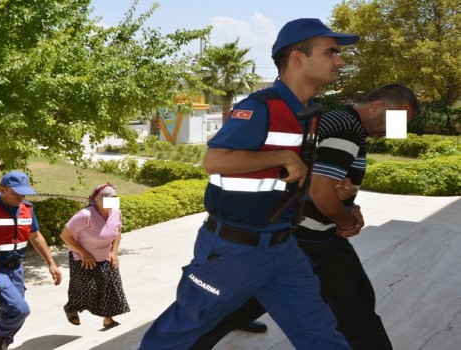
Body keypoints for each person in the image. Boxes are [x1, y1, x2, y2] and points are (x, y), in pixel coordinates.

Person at [139, 18, 359, 349]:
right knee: (180, 331)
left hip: (283, 249)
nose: (339, 61)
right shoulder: (259, 107)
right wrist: (284, 157)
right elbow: (214, 161)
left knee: (320, 332)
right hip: (234, 253)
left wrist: (329, 187)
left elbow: (281, 178)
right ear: (297, 58)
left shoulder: (309, 113)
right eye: (330, 53)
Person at [195, 83, 421, 349]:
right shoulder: (347, 131)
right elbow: (321, 191)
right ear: (376, 107)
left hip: (291, 229)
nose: (394, 131)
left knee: (250, 294)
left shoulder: (336, 118)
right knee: (354, 307)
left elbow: (315, 176)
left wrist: (348, 202)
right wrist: (346, 220)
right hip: (310, 236)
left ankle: (215, 325)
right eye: (398, 121)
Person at [0, 171, 62, 350]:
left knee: (15, 311)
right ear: (2, 189)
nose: (20, 197)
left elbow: (35, 236)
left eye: (23, 192)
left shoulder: (27, 209)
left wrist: (51, 263)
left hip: (16, 270)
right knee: (19, 309)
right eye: (16, 192)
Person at [60, 183, 130, 329]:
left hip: (106, 257)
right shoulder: (85, 215)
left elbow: (117, 232)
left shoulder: (116, 213)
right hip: (83, 259)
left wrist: (114, 252)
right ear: (97, 200)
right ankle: (71, 308)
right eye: (107, 198)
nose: (111, 202)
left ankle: (108, 319)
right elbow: (65, 235)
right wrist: (84, 253)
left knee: (110, 288)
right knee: (88, 291)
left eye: (114, 198)